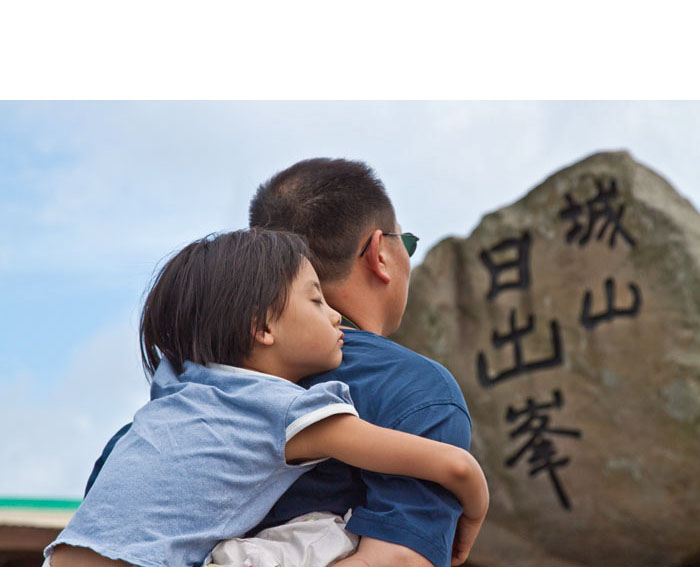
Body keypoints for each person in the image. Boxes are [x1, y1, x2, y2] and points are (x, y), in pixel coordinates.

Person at [44, 229, 488, 567]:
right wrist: (474, 506)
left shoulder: (175, 392)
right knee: (333, 533)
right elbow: (451, 465)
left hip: (61, 554)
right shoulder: (283, 408)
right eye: (316, 301)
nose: (336, 316)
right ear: (263, 328)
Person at [239, 158, 477, 567]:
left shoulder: (195, 387)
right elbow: (398, 559)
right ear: (378, 254)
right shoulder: (416, 390)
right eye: (408, 243)